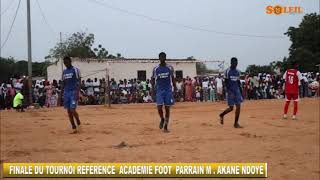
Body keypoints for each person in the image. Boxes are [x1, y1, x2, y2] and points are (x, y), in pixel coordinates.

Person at [151, 52, 176, 133]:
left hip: (168, 90)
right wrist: (152, 90)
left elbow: (172, 78)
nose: (162, 58)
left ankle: (165, 127)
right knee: (159, 107)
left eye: (163, 57)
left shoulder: (170, 68)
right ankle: (162, 118)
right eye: (161, 57)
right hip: (159, 90)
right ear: (159, 58)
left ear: (165, 58)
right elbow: (152, 79)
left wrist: (175, 89)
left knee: (167, 108)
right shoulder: (156, 69)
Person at [219, 57, 243, 128]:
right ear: (231, 63)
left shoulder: (238, 71)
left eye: (236, 63)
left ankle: (236, 123)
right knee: (231, 108)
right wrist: (229, 92)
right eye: (234, 63)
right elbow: (225, 83)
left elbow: (238, 82)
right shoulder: (227, 71)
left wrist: (240, 91)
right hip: (230, 91)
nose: (235, 65)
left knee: (238, 106)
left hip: (237, 91)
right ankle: (222, 115)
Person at [62, 56, 82, 134]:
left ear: (70, 61)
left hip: (74, 92)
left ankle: (78, 122)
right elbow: (63, 83)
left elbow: (79, 81)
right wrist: (61, 94)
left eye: (66, 62)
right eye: (64, 63)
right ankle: (73, 127)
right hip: (66, 93)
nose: (65, 64)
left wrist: (78, 92)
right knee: (68, 111)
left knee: (72, 109)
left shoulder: (76, 70)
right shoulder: (64, 71)